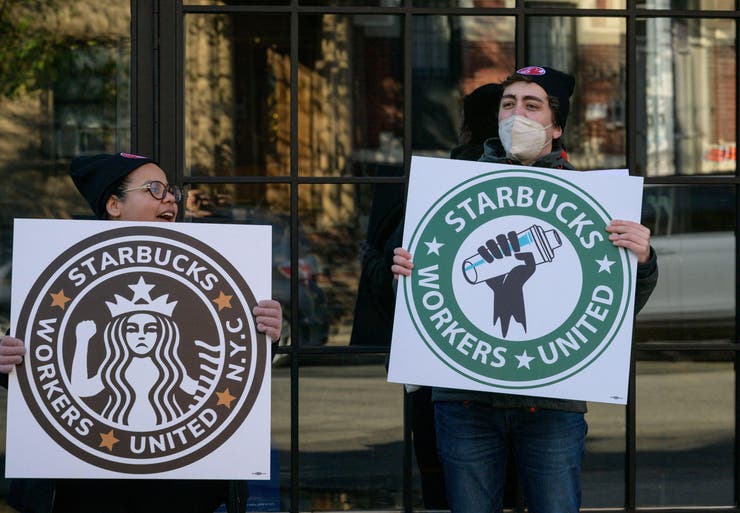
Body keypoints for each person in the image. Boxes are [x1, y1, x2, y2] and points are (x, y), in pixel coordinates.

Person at [391, 66, 659, 513]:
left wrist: (643, 261)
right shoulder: (447, 191)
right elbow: (417, 289)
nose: (517, 115)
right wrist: (405, 270)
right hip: (464, 399)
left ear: (556, 126)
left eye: (532, 105)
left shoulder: (593, 201)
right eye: (509, 104)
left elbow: (617, 306)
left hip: (552, 402)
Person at [0, 152, 282, 513]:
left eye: (171, 192)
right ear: (114, 204)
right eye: (154, 189)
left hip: (183, 490)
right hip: (85, 491)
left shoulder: (204, 267)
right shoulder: (66, 271)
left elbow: (233, 373)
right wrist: (7, 356)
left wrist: (264, 335)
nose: (170, 199)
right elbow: (35, 372)